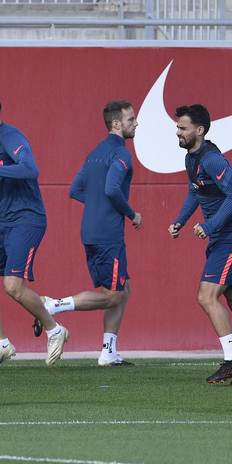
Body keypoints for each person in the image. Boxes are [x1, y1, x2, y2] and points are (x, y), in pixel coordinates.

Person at [0, 90, 68, 371]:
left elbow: (30, 170)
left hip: (28, 220)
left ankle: (55, 330)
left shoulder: (12, 137)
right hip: (4, 221)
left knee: (12, 286)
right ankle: (1, 345)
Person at [171, 103, 232, 385]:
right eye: (177, 127)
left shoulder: (212, 159)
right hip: (224, 237)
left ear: (199, 130)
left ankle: (231, 361)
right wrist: (180, 220)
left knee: (206, 296)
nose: (177, 132)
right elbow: (196, 191)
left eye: (183, 128)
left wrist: (211, 225)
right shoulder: (192, 158)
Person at [42, 100, 142, 366]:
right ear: (117, 124)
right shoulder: (121, 153)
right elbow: (112, 189)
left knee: (123, 288)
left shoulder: (94, 153)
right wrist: (132, 214)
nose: (136, 123)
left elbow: (75, 190)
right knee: (115, 295)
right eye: (131, 119)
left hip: (90, 231)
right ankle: (53, 306)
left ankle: (108, 352)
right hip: (109, 234)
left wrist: (98, 205)